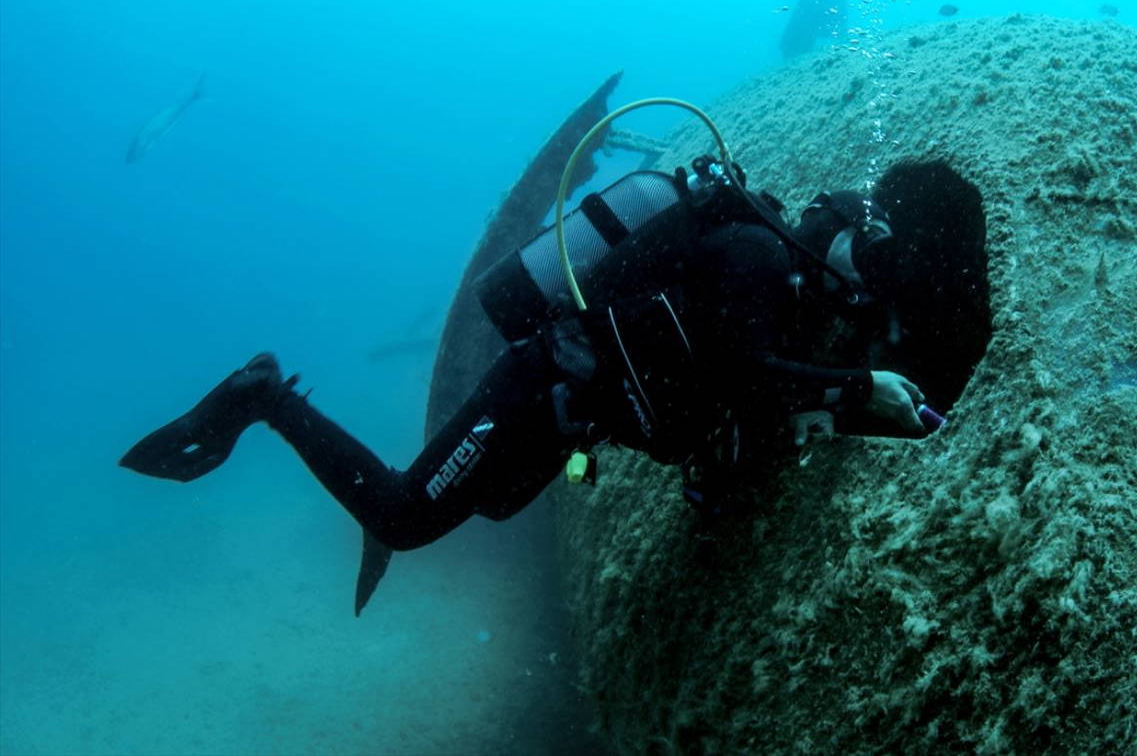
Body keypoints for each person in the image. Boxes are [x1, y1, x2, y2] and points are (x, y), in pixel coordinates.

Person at [120, 159, 929, 608]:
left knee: (498, 502)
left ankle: (268, 399)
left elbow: (716, 376)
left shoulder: (761, 268)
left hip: (567, 409)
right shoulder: (758, 257)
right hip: (536, 384)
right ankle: (265, 396)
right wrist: (860, 389)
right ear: (840, 237)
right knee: (404, 515)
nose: (853, 290)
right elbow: (748, 378)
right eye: (863, 267)